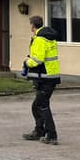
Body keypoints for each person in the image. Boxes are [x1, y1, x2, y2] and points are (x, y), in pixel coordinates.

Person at [21, 14, 60, 145]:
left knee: (41, 106)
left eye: (30, 24)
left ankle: (51, 135)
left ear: (32, 25)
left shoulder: (39, 39)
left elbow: (38, 60)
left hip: (44, 77)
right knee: (37, 105)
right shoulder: (50, 38)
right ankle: (39, 131)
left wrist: (27, 62)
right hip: (51, 76)